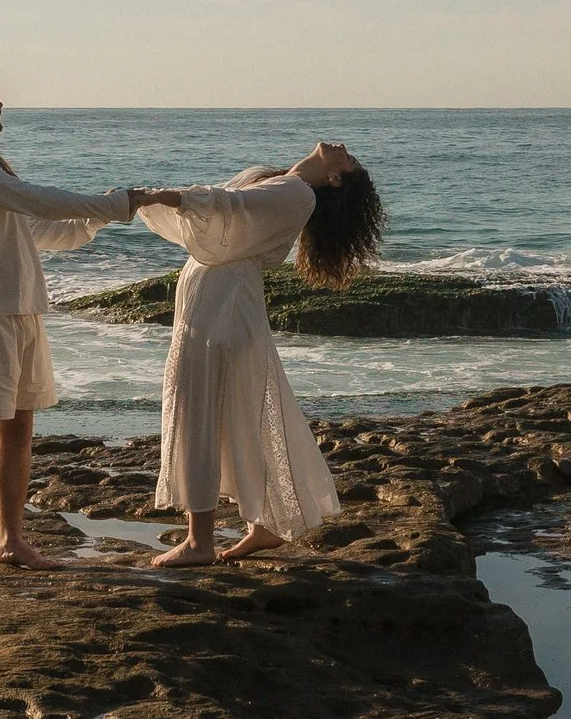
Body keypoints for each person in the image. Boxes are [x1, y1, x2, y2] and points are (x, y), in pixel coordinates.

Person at [0, 65, 178, 580]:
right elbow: (37, 199)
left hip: (18, 311)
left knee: (18, 431)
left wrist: (100, 215)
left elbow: (42, 229)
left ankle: (10, 541)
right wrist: (116, 203)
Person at [138, 141, 386, 566]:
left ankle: (200, 543)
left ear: (335, 178)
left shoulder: (297, 193)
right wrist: (160, 198)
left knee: (201, 415)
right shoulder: (283, 181)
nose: (344, 148)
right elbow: (223, 213)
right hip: (217, 297)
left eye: (350, 159)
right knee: (237, 415)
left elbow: (228, 207)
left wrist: (161, 197)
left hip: (223, 306)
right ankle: (264, 527)